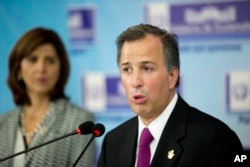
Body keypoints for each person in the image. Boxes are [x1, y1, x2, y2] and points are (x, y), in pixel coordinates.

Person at [97, 24, 244, 167]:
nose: (135, 82)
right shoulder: (113, 142)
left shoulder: (216, 140)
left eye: (147, 68)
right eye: (127, 69)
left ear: (172, 76)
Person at [0, 27, 95, 167]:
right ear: (18, 69)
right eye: (33, 59)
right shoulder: (3, 122)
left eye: (50, 60)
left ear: (61, 69)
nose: (41, 68)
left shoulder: (79, 120)